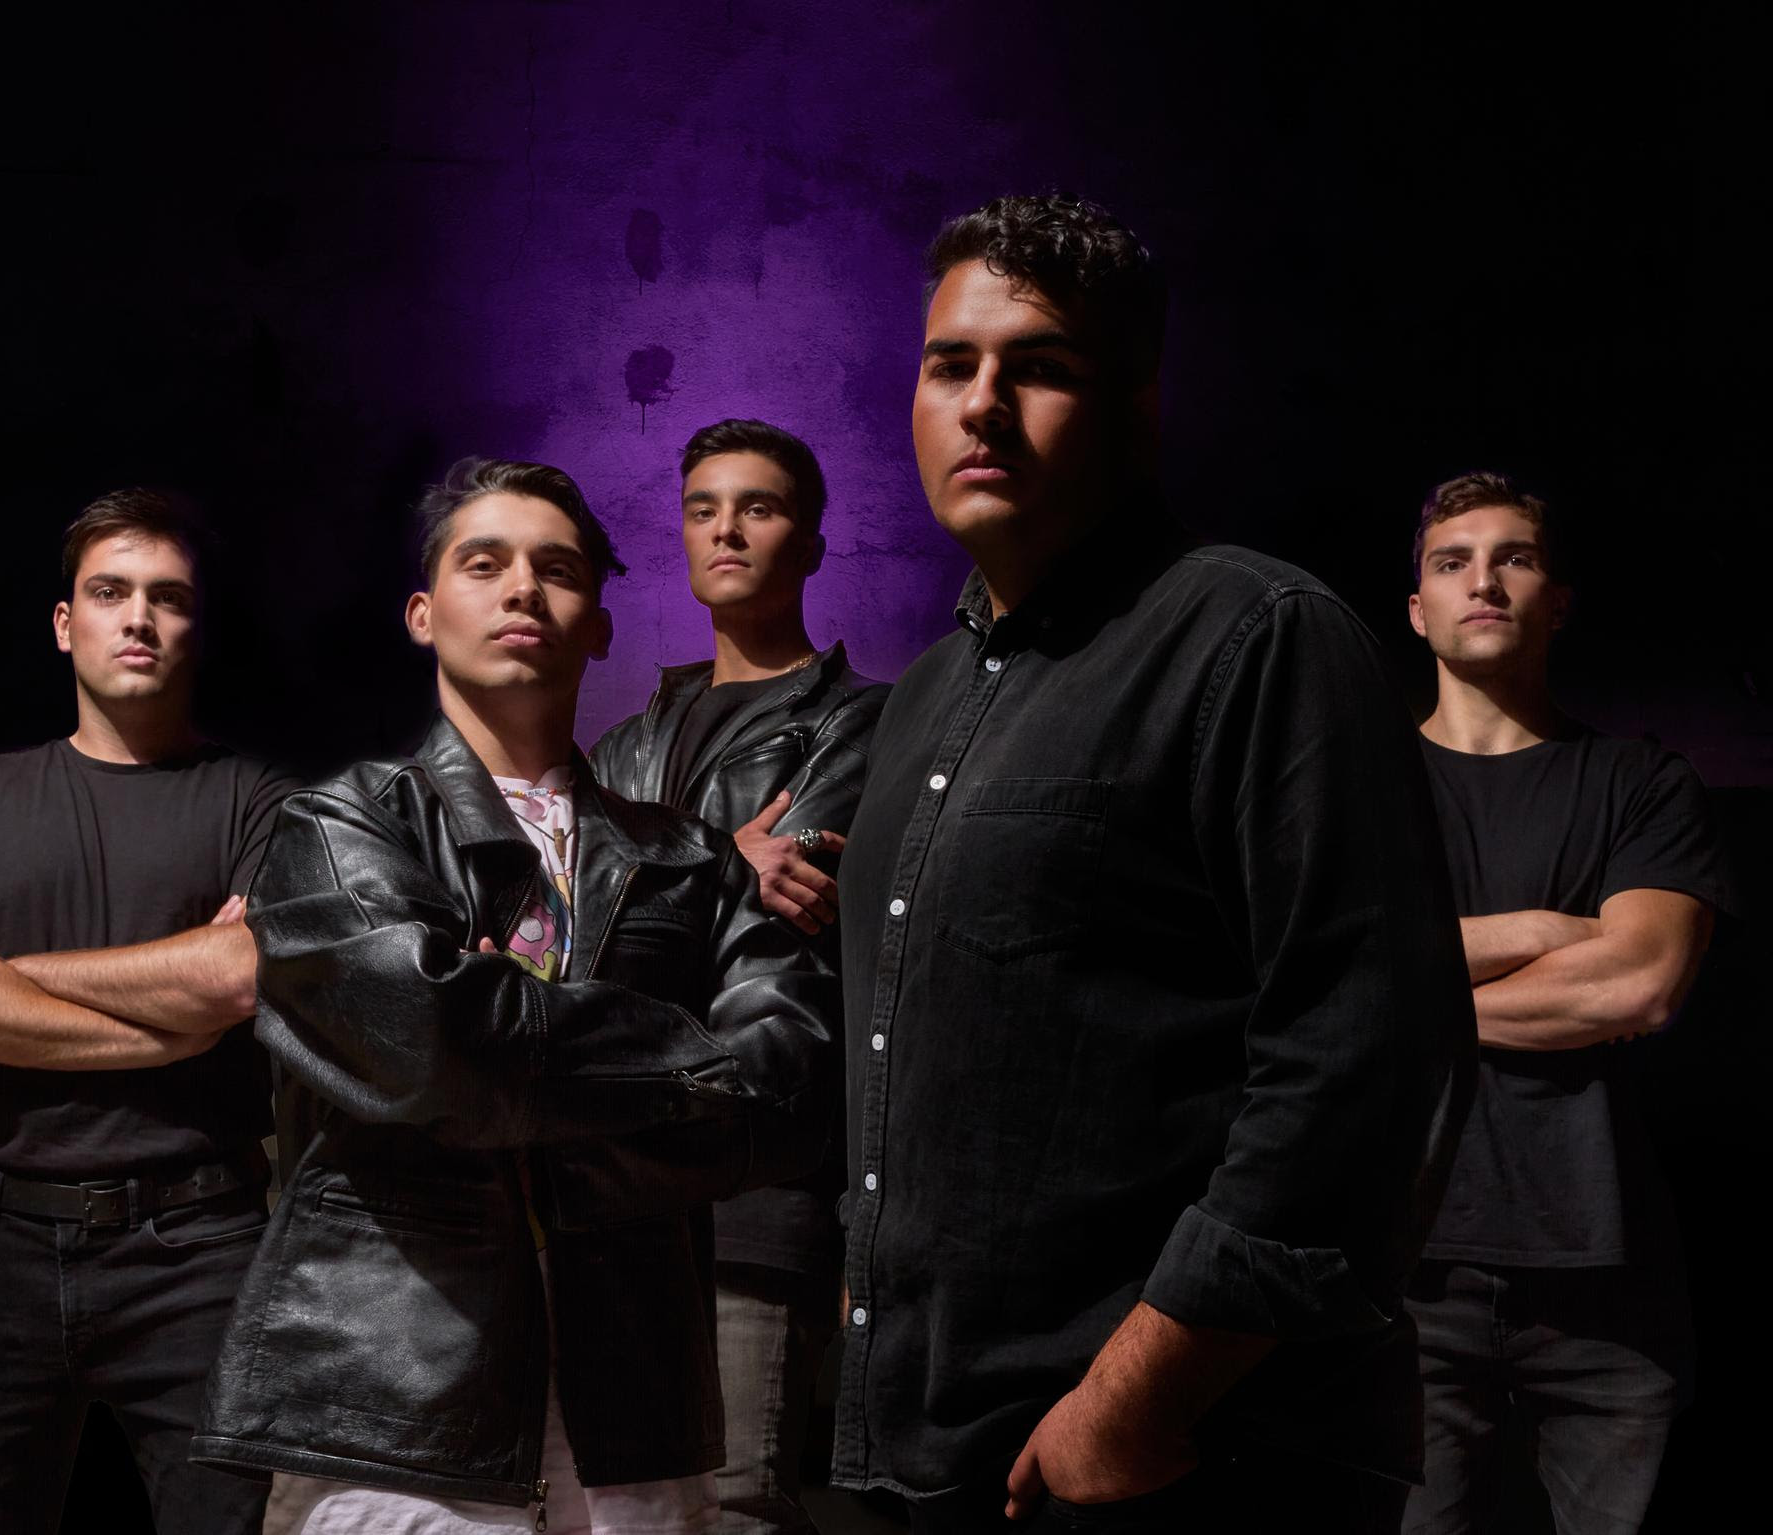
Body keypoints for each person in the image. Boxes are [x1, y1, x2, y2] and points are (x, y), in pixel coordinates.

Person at [829, 194, 1476, 1532]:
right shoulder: (920, 698)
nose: (983, 403)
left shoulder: (1261, 633)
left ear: (1138, 404)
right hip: (940, 1452)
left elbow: (1365, 1058)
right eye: (951, 363)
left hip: (1184, 1457)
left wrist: (1141, 1396)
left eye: (1040, 366)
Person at [193, 457, 840, 1535]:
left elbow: (793, 1084)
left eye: (559, 569)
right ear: (423, 613)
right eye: (484, 563)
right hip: (396, 1399)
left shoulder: (691, 859)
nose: (523, 588)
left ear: (599, 627)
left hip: (638, 1402)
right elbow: (435, 1042)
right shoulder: (340, 825)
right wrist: (677, 1056)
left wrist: (507, 1042)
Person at [0, 488, 293, 1535]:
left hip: (200, 1243)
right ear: (66, 623)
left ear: (196, 625)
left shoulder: (258, 799)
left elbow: (237, 976)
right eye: (110, 592)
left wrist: (5, 977)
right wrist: (172, 1024)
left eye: (168, 596)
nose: (138, 617)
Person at [1400, 472, 1723, 1535]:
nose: (1484, 580)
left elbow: (1640, 981)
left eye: (1517, 557)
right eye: (1453, 561)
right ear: (1419, 609)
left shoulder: (1642, 782)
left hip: (1608, 1284)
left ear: (1559, 601)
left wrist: (1397, 997)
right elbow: (1299, 977)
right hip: (1404, 1274)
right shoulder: (1358, 788)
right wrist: (1544, 930)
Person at [590, 417, 888, 1532]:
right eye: (703, 508)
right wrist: (722, 855)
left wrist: (650, 867)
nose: (726, 529)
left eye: (757, 507)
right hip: (613, 1178)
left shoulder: (862, 723)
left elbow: (788, 903)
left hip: (757, 1183)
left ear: (809, 543)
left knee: (733, 1504)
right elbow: (574, 918)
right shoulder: (624, 743)